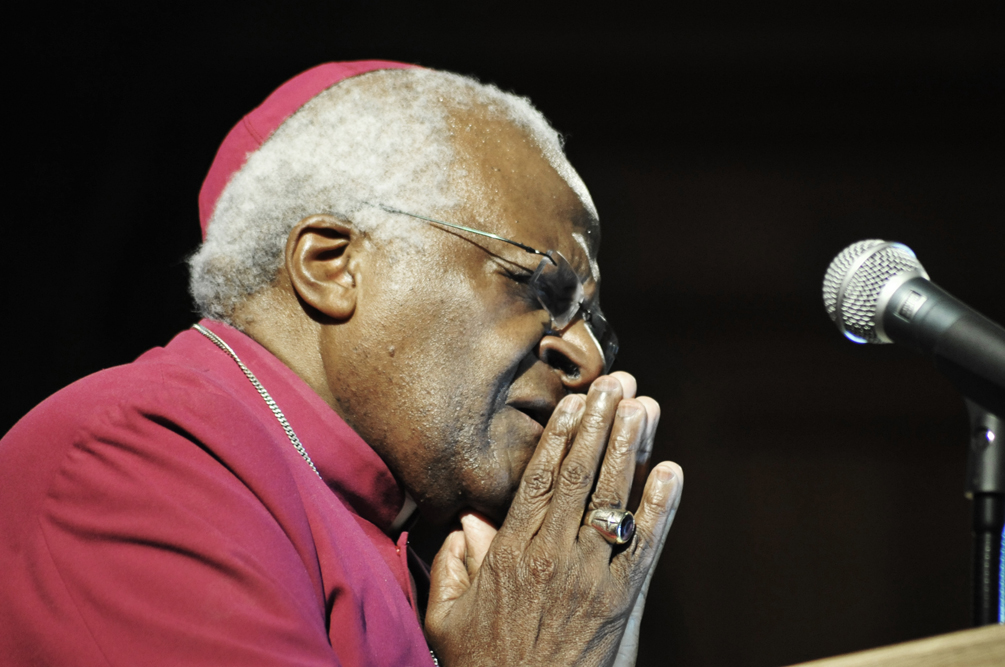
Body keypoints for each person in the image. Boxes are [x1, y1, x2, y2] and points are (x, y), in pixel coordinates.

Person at [0, 60, 683, 666]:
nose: (588, 358)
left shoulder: (415, 542)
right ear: (330, 264)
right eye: (537, 285)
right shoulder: (134, 453)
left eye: (593, 321)